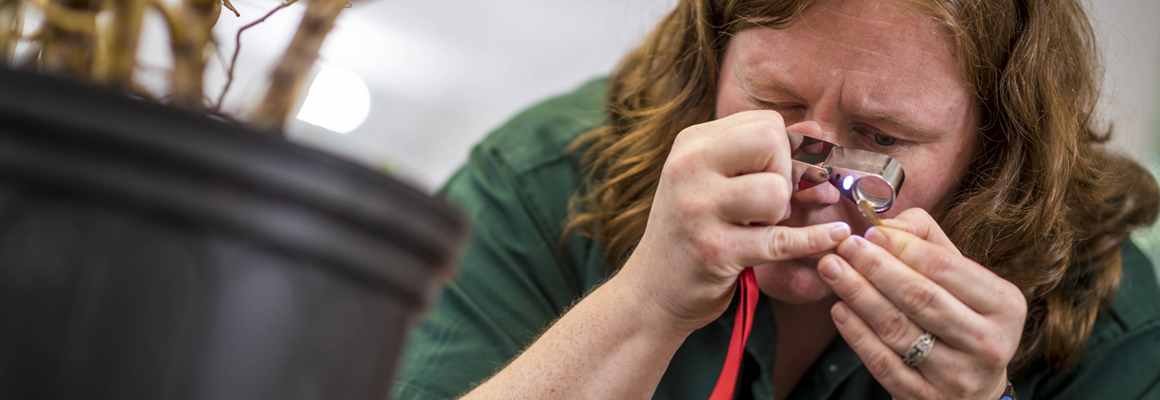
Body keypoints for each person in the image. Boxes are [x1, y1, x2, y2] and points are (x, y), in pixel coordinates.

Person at [392, 0, 1160, 398]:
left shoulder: (1102, 301)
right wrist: (644, 307)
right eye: (773, 98)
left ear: (994, 152)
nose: (808, 173)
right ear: (713, 62)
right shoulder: (546, 178)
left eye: (881, 136)